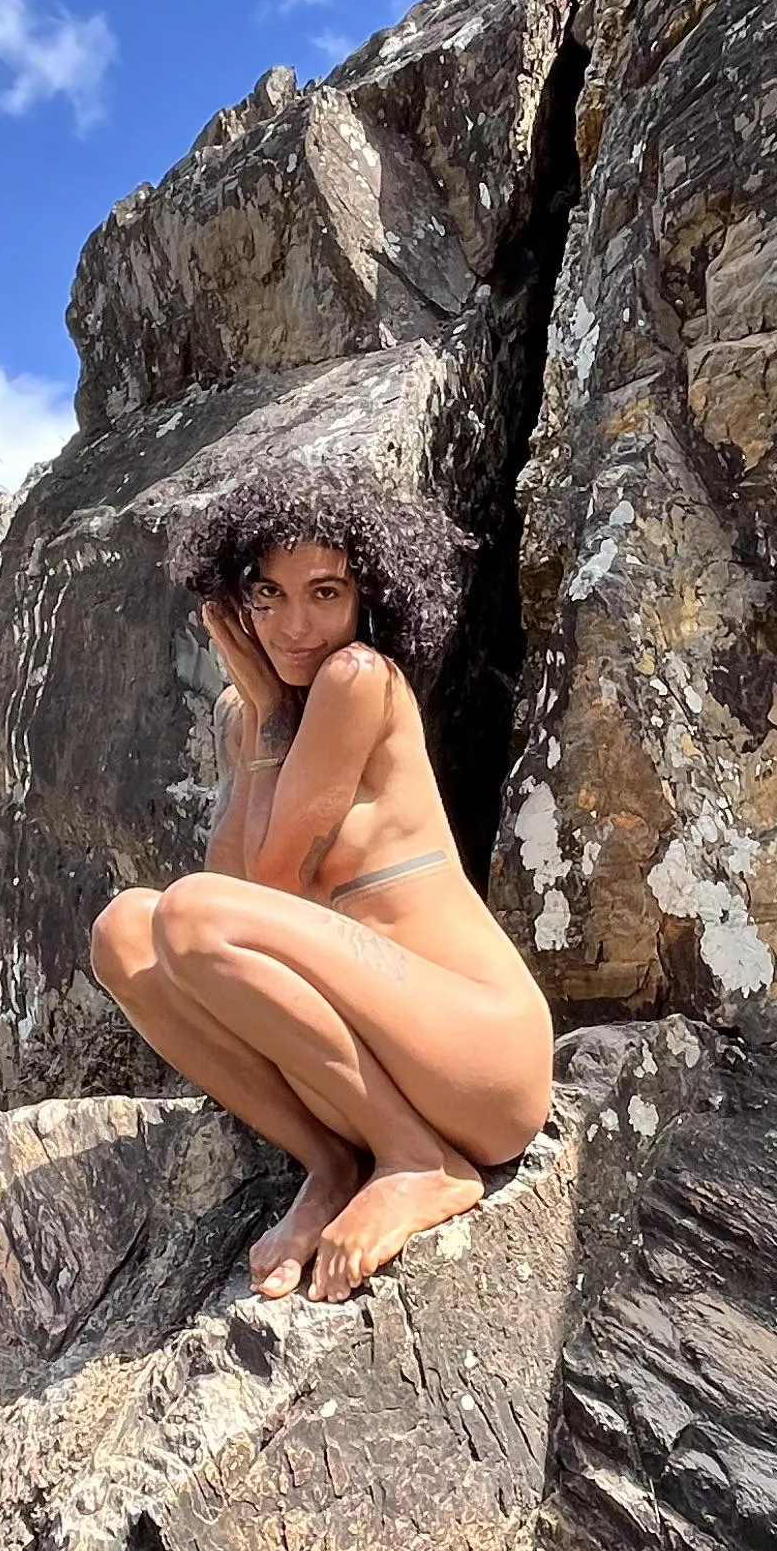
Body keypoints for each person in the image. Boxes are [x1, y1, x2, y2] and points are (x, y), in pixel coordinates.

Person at [88, 465, 554, 1303]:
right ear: (233, 604)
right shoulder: (252, 717)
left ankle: (421, 1164)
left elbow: (261, 888)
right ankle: (335, 1164)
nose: (294, 625)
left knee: (190, 915)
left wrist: (270, 713)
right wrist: (261, 720)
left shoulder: (358, 680)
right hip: (386, 1053)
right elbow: (222, 902)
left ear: (367, 596)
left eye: (324, 593)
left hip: (478, 1051)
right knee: (127, 931)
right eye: (266, 596)